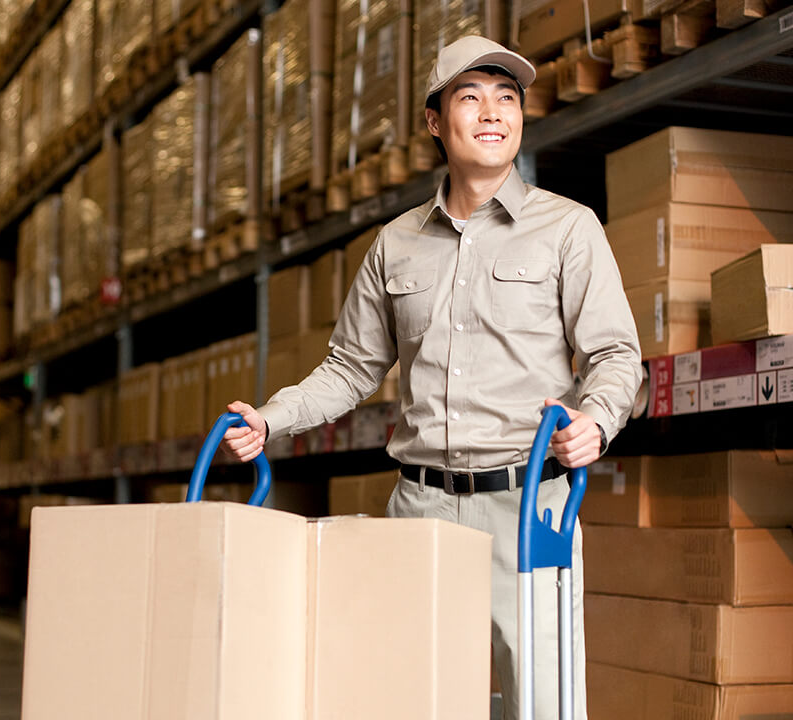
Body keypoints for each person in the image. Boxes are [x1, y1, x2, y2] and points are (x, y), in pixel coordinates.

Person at [221, 35, 642, 719]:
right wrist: (271, 419)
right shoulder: (396, 243)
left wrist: (597, 418)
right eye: (471, 97)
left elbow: (616, 355)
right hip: (418, 506)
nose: (493, 113)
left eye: (507, 99)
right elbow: (349, 368)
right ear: (434, 120)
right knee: (408, 697)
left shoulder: (568, 229)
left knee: (542, 703)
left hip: (527, 503)